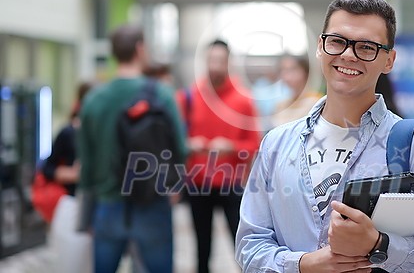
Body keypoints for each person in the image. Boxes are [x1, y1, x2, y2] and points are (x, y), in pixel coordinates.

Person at [235, 0, 414, 272]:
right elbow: (250, 246)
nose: (348, 54)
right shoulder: (276, 142)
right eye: (337, 42)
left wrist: (379, 244)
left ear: (389, 61)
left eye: (367, 47)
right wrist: (305, 264)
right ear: (320, 47)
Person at [77, 24, 187, 273]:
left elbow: (86, 163)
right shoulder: (162, 94)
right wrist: (174, 186)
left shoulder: (93, 99)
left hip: (107, 205)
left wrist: (87, 214)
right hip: (153, 203)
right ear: (140, 49)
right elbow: (180, 148)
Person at [177, 39, 261, 273]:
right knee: (201, 246)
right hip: (198, 182)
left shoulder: (243, 100)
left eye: (220, 61)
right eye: (211, 60)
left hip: (231, 183)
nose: (215, 66)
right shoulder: (190, 97)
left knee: (240, 243)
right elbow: (175, 140)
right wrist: (189, 144)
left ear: (228, 63)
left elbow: (254, 144)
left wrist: (231, 146)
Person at [42, 82, 92, 196]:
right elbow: (47, 169)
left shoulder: (105, 132)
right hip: (73, 198)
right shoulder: (68, 133)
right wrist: (73, 174)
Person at [271, 53, 322, 128]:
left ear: (305, 72)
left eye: (292, 69)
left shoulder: (317, 103)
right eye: (283, 70)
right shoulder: (281, 105)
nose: (286, 75)